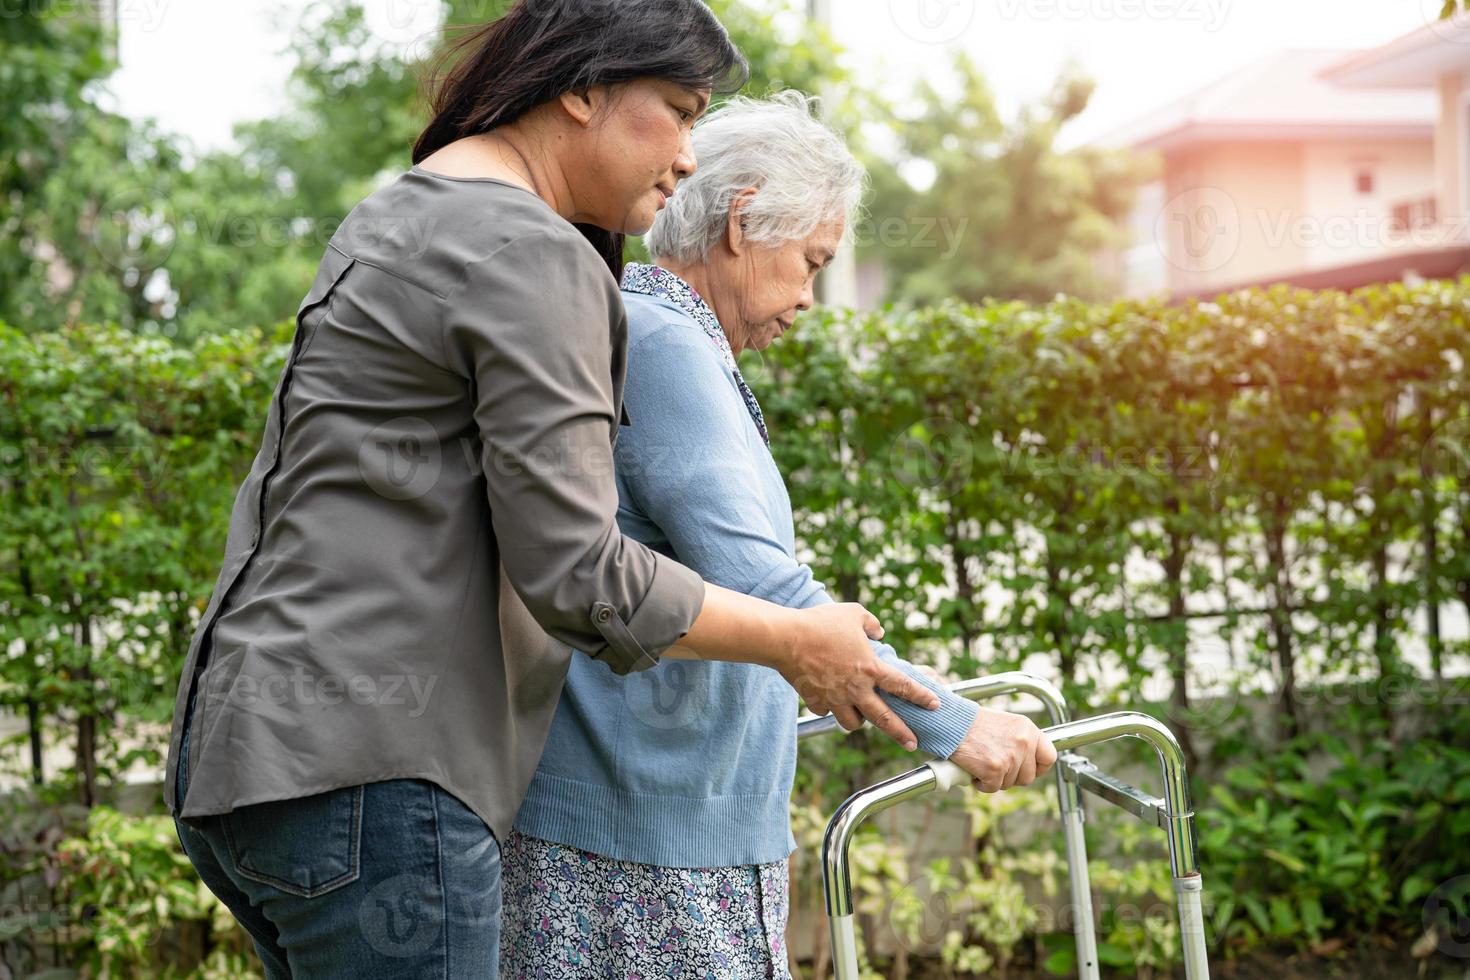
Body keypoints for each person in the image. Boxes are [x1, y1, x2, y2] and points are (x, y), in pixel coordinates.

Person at [162, 4, 944, 976]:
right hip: (382, 779)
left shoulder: (400, 209)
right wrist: (796, 639)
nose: (690, 156)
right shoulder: (533, 252)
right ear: (583, 89)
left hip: (246, 757)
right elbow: (578, 572)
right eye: (679, 109)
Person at [499, 91, 1058, 979]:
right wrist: (955, 723)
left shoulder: (669, 339)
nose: (808, 298)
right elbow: (766, 586)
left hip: (674, 827)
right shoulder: (661, 341)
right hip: (639, 847)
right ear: (744, 220)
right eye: (810, 261)